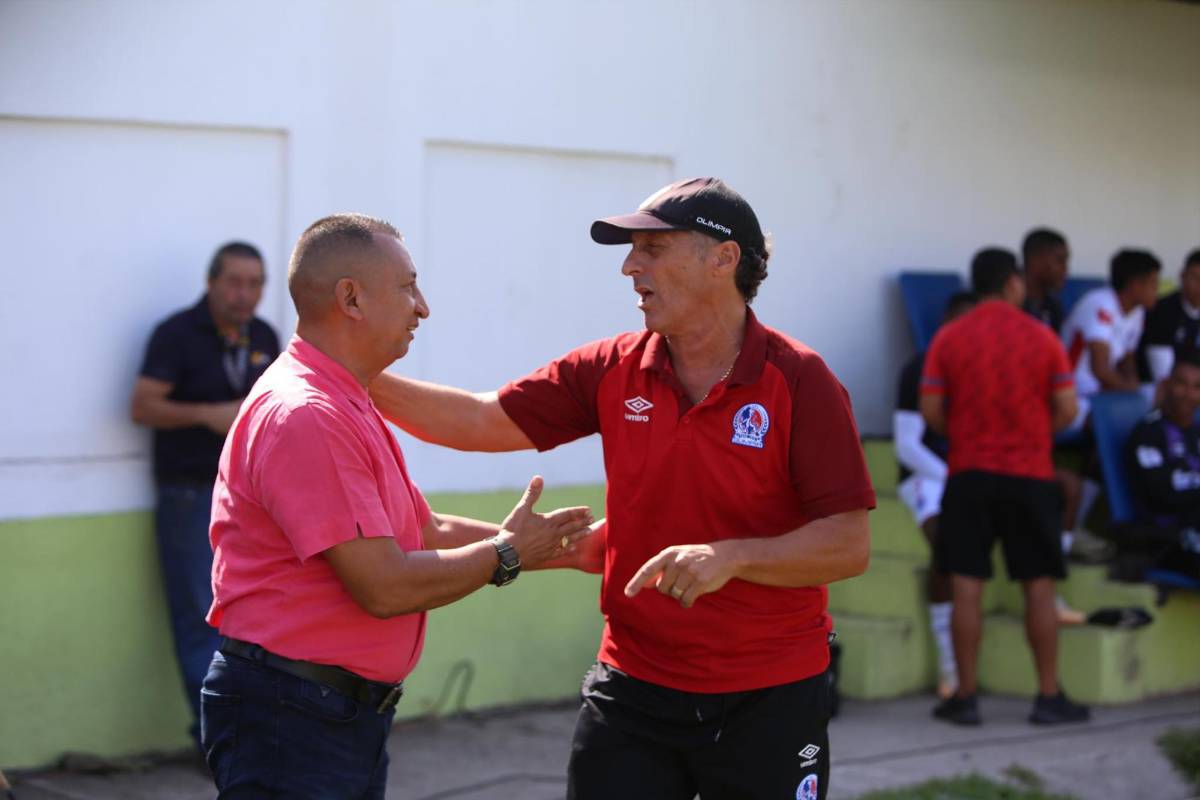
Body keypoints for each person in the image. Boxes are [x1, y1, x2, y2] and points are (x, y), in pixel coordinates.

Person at [370, 177, 874, 800]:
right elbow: (479, 420)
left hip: (768, 697)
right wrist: (352, 369)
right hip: (633, 689)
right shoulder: (613, 366)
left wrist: (733, 556)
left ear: (724, 259)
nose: (630, 266)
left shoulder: (801, 380)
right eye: (631, 249)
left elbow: (847, 545)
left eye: (652, 249)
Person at [200, 214, 592, 798]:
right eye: (408, 286)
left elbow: (424, 529)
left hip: (325, 711)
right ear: (351, 298)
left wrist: (567, 551)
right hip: (294, 715)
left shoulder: (343, 398)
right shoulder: (309, 413)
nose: (423, 307)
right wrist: (508, 553)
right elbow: (383, 585)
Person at [920, 247, 1089, 726]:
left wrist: (968, 433)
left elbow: (931, 411)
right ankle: (1048, 696)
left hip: (969, 473)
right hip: (1030, 475)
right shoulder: (1041, 337)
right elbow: (1068, 408)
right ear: (1014, 282)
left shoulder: (950, 338)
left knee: (966, 586)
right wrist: (1034, 433)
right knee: (1039, 585)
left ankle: (967, 698)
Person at [130, 241, 281, 745]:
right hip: (189, 496)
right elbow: (143, 406)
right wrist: (206, 414)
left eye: (255, 283)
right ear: (211, 282)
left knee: (253, 617)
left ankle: (250, 732)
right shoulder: (176, 334)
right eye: (235, 282)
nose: (245, 294)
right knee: (201, 617)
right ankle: (217, 740)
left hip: (248, 498)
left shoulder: (264, 335)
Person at [894, 291, 976, 699]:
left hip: (973, 473)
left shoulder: (987, 365)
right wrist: (956, 475)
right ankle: (950, 668)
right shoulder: (920, 367)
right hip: (928, 475)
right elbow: (907, 446)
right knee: (947, 544)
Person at [1117, 353, 1200, 583]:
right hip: (1168, 540)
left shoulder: (1197, 433)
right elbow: (1159, 495)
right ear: (1167, 384)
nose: (1188, 394)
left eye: (1197, 387)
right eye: (1181, 383)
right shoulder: (1148, 433)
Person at [1061, 249, 1162, 426]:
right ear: (1135, 285)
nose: (1157, 291)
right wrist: (1132, 393)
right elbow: (1100, 370)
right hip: (1076, 392)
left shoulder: (1138, 311)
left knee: (1168, 393)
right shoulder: (1101, 303)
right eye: (1153, 284)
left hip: (1105, 390)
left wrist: (1132, 384)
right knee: (1124, 412)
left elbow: (1127, 358)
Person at [1140, 249, 1200, 384]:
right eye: (1196, 278)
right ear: (1182, 276)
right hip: (1158, 389)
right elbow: (1163, 376)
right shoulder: (1162, 311)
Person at [1022, 228, 1070, 332]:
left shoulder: (1054, 306)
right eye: (1060, 260)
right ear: (1035, 260)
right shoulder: (1010, 305)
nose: (1065, 269)